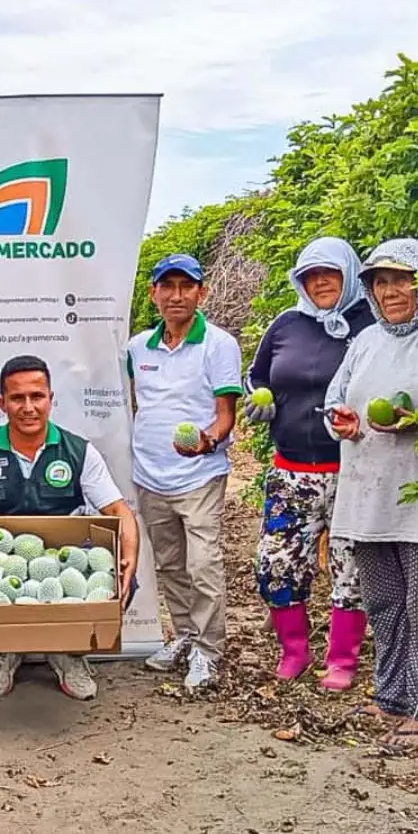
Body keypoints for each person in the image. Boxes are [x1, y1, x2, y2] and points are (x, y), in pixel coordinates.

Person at [0, 355, 140, 700]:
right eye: (17, 398)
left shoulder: (78, 452)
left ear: (50, 398)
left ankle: (69, 653)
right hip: (2, 559)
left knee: (120, 584)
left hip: (67, 558)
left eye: (37, 397)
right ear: (1, 403)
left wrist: (129, 559)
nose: (28, 407)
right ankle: (1, 652)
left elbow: (119, 510)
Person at [324, 237, 418, 753]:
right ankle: (391, 695)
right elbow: (337, 398)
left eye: (401, 280)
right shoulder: (365, 342)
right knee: (382, 601)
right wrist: (343, 420)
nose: (391, 291)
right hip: (366, 495)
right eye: (381, 282)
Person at [244, 236, 376, 690]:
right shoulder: (286, 325)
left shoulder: (371, 325)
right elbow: (257, 375)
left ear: (349, 276)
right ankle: (294, 651)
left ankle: (342, 660)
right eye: (310, 275)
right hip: (291, 472)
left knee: (351, 563)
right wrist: (258, 401)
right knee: (277, 560)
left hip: (352, 469)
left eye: (330, 273)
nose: (319, 282)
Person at [126, 254, 244, 691]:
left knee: (204, 564)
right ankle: (185, 636)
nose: (177, 295)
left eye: (186, 287)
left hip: (199, 475)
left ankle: (209, 652)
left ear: (201, 292)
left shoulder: (218, 344)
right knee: (170, 564)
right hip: (150, 474)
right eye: (167, 286)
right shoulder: (138, 348)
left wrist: (207, 440)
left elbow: (225, 415)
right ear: (154, 293)